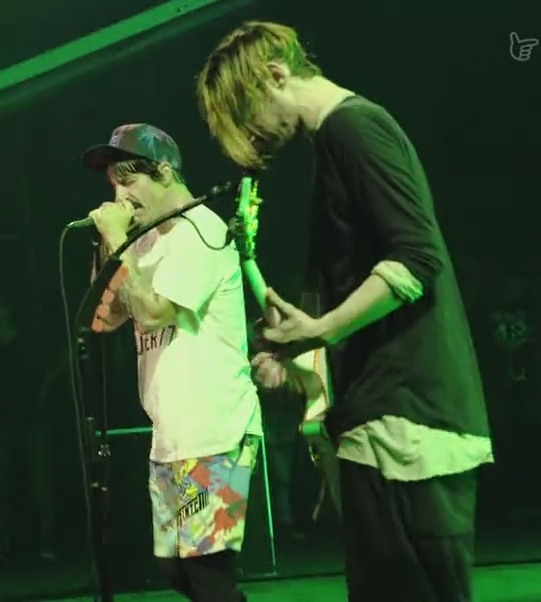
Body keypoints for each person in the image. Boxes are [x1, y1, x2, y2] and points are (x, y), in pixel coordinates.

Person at [197, 22, 493, 601]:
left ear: (275, 75)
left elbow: (416, 258)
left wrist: (320, 329)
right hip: (382, 419)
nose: (254, 137)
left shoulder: (354, 128)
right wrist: (297, 345)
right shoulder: (337, 140)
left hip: (407, 421)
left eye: (249, 116)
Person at [81, 123, 263, 601]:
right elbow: (105, 318)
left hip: (215, 431)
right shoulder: (144, 241)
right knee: (174, 571)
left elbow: (154, 311)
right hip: (171, 436)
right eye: (113, 185)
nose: (120, 196)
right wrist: (111, 244)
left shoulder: (201, 230)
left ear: (164, 171)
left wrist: (119, 241)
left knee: (207, 572)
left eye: (128, 181)